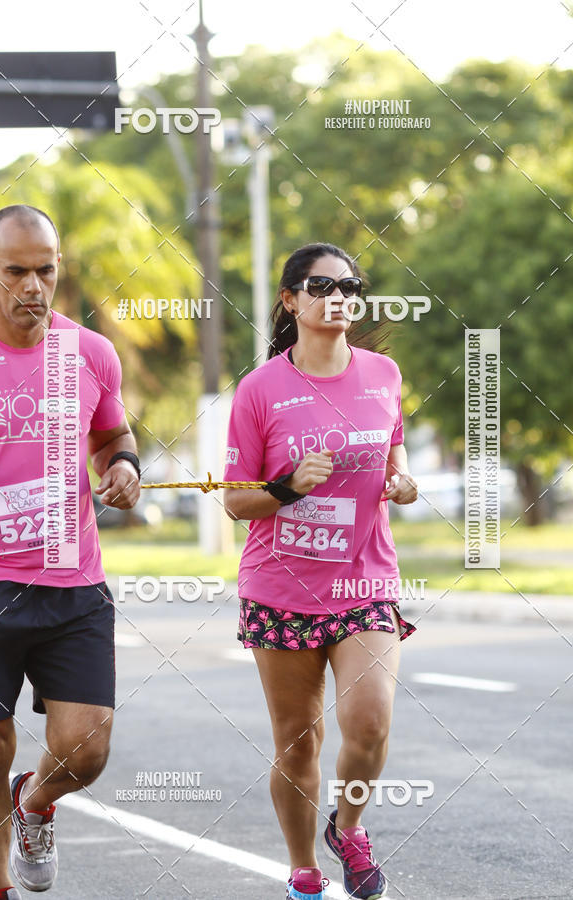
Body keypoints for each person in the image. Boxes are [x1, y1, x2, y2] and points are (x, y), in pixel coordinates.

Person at [223, 243, 418, 900]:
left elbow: (392, 455)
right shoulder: (259, 390)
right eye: (320, 285)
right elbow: (234, 500)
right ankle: (304, 871)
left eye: (350, 286)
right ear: (290, 300)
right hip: (281, 589)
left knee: (369, 723)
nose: (338, 296)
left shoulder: (384, 375)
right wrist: (284, 489)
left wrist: (402, 482)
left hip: (364, 582)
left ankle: (351, 828)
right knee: (298, 744)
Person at [0, 205, 141, 900]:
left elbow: (112, 434)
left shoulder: (91, 353)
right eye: (16, 272)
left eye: (45, 270)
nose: (32, 287)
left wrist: (124, 465)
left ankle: (35, 803)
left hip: (72, 582)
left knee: (86, 748)